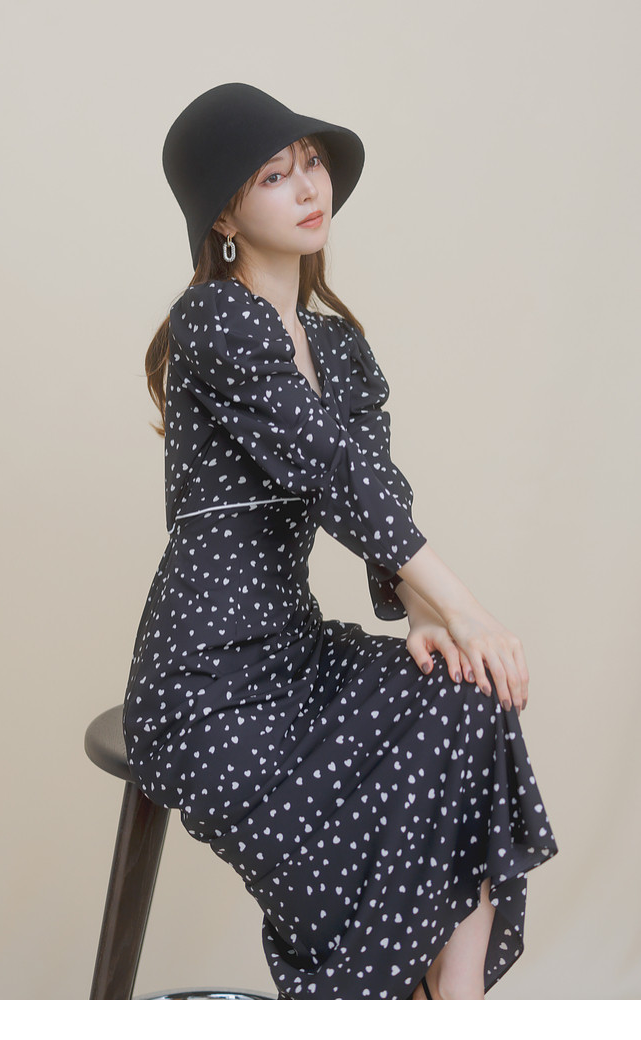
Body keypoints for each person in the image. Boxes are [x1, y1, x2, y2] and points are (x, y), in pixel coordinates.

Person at [123, 82, 559, 1000]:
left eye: (311, 163)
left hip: (296, 650)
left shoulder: (338, 347)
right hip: (207, 679)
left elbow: (376, 492)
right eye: (273, 175)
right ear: (225, 216)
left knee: (468, 697)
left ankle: (455, 1005)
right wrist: (466, 610)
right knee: (454, 687)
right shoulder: (216, 319)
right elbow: (333, 477)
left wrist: (424, 615)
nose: (307, 186)